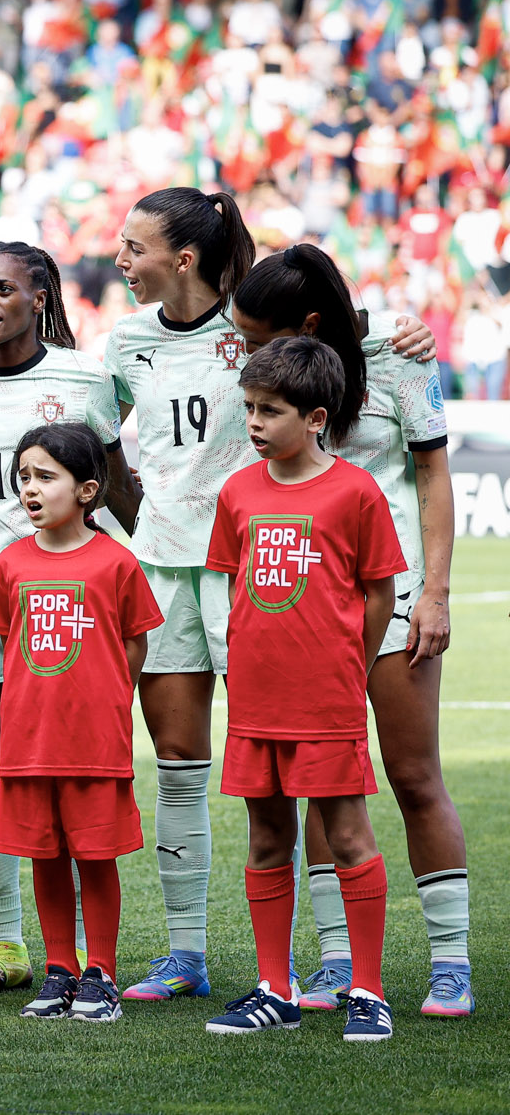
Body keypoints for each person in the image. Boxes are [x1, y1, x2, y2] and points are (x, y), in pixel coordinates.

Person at [232, 246, 473, 1018]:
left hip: (390, 599)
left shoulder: (400, 359)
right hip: (303, 608)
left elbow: (434, 477)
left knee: (412, 775)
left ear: (305, 323)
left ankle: (450, 963)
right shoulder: (268, 385)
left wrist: (434, 591)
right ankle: (336, 962)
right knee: (316, 783)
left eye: (258, 334)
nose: (245, 351)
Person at [0, 242, 133, 996]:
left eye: (3, 288)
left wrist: (135, 563)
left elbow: (114, 482)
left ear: (41, 294)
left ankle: (97, 961)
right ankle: (13, 942)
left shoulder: (87, 378)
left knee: (80, 783)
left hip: (73, 604)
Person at [201, 338, 404, 1043]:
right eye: (250, 407)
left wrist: (351, 659)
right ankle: (273, 986)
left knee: (346, 836)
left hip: (327, 698)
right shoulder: (238, 491)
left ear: (316, 416)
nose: (254, 422)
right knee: (266, 836)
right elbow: (236, 586)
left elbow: (380, 591)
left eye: (271, 410)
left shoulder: (355, 490)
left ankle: (368, 989)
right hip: (258, 698)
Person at [103, 186, 259, 1003]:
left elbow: (345, 332)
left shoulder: (254, 324)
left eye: (134, 249)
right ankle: (186, 954)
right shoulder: (125, 342)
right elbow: (97, 445)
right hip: (162, 571)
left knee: (278, 762)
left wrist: (404, 331)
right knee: (179, 766)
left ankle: (330, 958)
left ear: (184, 259)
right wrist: (144, 526)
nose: (120, 260)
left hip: (251, 572)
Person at [0, 425, 161, 1024]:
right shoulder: (9, 563)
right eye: (24, 477)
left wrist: (104, 697)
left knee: (94, 856)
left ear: (87, 490)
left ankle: (101, 974)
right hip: (29, 743)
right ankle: (59, 968)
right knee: (45, 855)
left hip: (94, 743)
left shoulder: (116, 561)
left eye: (45, 477)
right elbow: (12, 644)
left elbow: (134, 643)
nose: (30, 490)